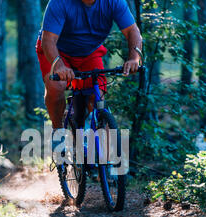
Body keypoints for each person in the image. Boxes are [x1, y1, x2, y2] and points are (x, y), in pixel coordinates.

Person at [36, 0, 143, 131]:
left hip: (89, 51)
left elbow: (132, 30)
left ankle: (96, 143)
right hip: (56, 50)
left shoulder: (114, 2)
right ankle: (57, 130)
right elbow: (48, 41)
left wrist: (134, 58)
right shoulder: (59, 2)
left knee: (98, 95)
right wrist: (58, 66)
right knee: (56, 86)